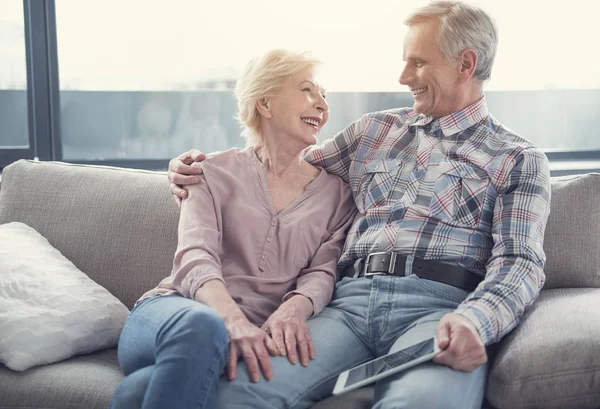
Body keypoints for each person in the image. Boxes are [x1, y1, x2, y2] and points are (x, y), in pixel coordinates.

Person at [168, 2, 552, 408]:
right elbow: (276, 166)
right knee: (234, 392)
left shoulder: (517, 158)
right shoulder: (373, 131)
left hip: (438, 311)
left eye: (417, 64)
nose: (404, 77)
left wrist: (476, 320)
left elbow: (520, 262)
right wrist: (194, 169)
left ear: (466, 63)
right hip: (344, 307)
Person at [109, 49, 357, 409]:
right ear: (266, 104)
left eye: (324, 96)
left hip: (252, 338)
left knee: (137, 393)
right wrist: (235, 323)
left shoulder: (337, 194)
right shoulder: (207, 171)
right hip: (173, 316)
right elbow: (195, 257)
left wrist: (295, 310)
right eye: (307, 90)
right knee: (203, 328)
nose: (322, 105)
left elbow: (322, 271)